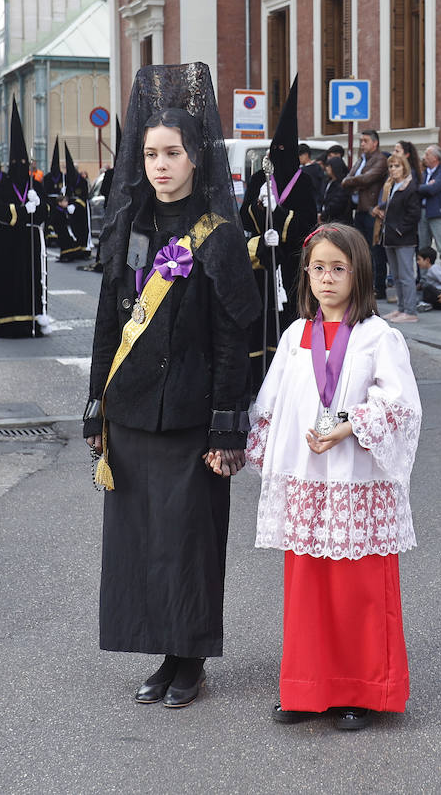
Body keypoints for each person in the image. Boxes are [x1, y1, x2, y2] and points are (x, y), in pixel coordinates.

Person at [83, 62, 262, 709]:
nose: (161, 165)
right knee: (141, 543)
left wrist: (226, 426)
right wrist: (94, 409)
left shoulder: (218, 238)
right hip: (131, 415)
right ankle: (162, 653)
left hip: (191, 419)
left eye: (174, 153)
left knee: (189, 544)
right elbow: (108, 325)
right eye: (152, 153)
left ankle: (191, 661)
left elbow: (231, 342)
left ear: (196, 158)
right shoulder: (127, 227)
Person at [247, 222, 420, 730]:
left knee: (359, 588)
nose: (326, 279)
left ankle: (361, 690)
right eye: (318, 268)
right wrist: (267, 442)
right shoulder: (294, 336)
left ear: (358, 273)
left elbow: (401, 406)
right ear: (306, 274)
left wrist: (346, 426)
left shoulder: (378, 337)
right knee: (307, 588)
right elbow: (271, 404)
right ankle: (305, 688)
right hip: (307, 480)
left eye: (338, 269)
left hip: (354, 480)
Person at [240, 80, 319, 383]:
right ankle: (258, 377)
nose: (278, 155)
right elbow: (243, 218)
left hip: (291, 265)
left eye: (284, 151)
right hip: (261, 262)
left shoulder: (304, 182)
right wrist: (260, 207)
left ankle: (289, 376)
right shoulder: (259, 177)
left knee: (288, 317)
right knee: (259, 319)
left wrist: (280, 215)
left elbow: (308, 224)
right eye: (275, 150)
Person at [0, 99, 50, 338]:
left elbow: (46, 211)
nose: (21, 167)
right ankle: (7, 321)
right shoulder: (3, 184)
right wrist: (20, 210)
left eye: (24, 164)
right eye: (17, 164)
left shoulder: (35, 184)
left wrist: (38, 207)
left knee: (31, 280)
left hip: (29, 242)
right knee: (8, 281)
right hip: (8, 243)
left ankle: (33, 318)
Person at [342, 129, 389, 298]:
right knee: (360, 249)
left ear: (375, 143)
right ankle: (364, 285)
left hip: (372, 211)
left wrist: (354, 181)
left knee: (375, 251)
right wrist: (355, 181)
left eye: (365, 141)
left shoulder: (381, 159)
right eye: (361, 140)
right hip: (360, 210)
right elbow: (347, 179)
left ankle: (379, 287)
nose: (362, 144)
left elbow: (367, 179)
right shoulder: (361, 159)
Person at [375, 153, 421, 323]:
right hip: (390, 237)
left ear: (404, 168)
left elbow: (414, 214)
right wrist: (381, 208)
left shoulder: (410, 187)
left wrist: (400, 230)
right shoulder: (393, 186)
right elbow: (393, 206)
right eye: (391, 166)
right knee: (396, 275)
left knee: (406, 275)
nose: (393, 169)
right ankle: (401, 308)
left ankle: (410, 311)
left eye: (397, 166)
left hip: (403, 239)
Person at [417, 144, 441, 284]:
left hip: (437, 214)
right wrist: (426, 186)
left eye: (427, 154)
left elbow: (434, 189)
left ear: (435, 158)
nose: (424, 157)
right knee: (423, 248)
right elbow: (416, 189)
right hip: (422, 213)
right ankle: (424, 279)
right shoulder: (424, 173)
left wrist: (426, 187)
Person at [57, 143, 92, 263]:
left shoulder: (82, 181)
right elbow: (67, 194)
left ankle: (84, 249)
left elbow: (84, 195)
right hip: (71, 209)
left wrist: (75, 204)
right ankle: (76, 249)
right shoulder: (68, 181)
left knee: (83, 228)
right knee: (74, 228)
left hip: (81, 208)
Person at [415, 246, 441, 311]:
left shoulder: (434, 269)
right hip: (439, 298)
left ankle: (425, 304)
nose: (417, 262)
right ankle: (427, 304)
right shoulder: (430, 269)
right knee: (422, 285)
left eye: (419, 259)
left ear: (427, 260)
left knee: (426, 286)